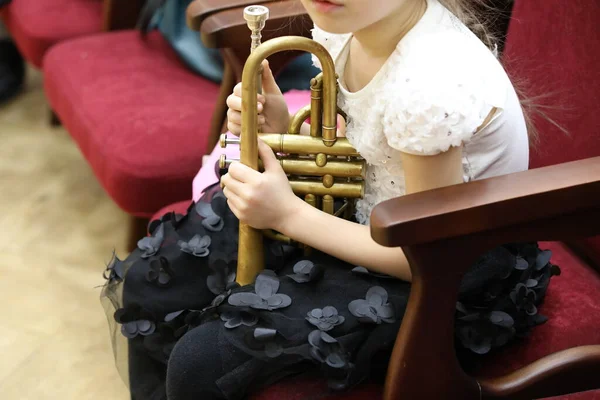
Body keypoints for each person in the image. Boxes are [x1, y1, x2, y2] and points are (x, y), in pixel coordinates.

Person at [101, 0, 560, 399]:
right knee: (149, 282)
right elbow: (363, 153)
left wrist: (287, 214)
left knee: (200, 365)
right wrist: (281, 128)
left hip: (445, 274)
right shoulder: (352, 30)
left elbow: (426, 253)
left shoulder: (429, 84)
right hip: (365, 216)